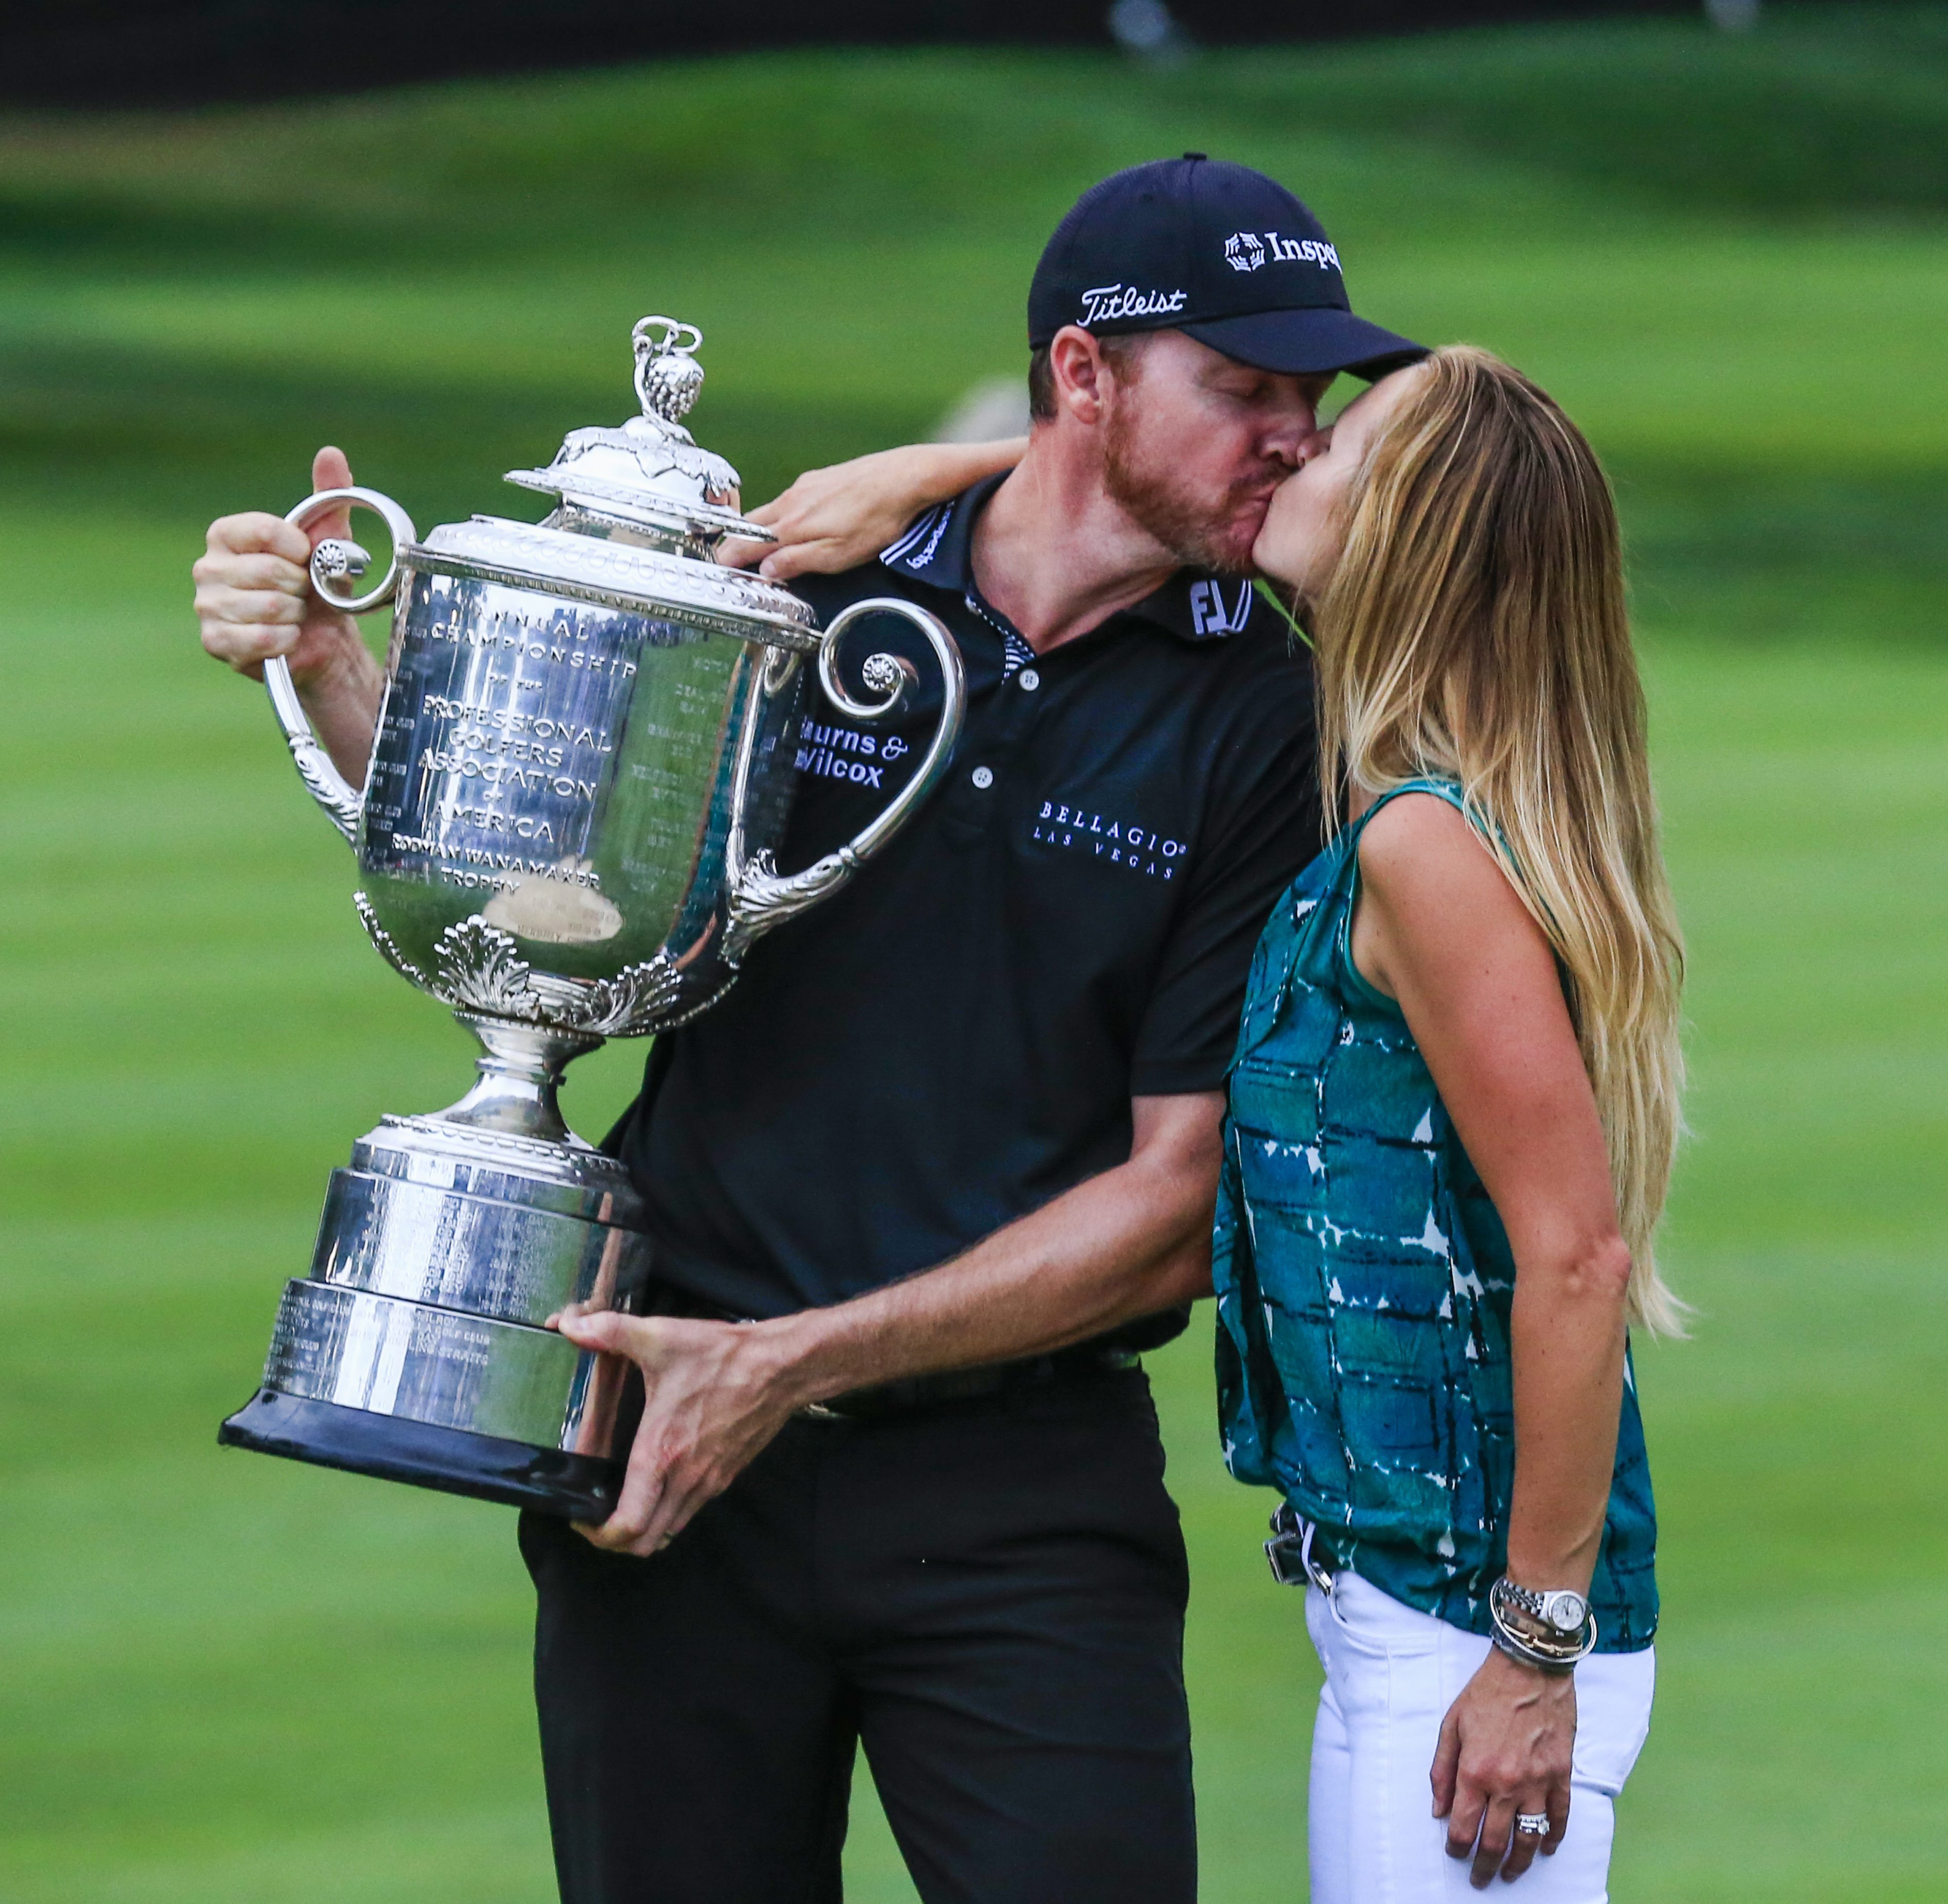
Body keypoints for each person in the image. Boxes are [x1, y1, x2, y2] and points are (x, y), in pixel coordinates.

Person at [192, 156, 1424, 1903]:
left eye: (1309, 398)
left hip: (1019, 1502)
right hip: (669, 1471)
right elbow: (548, 900)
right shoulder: (800, 591)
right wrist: (323, 658)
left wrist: (785, 1365)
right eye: (1243, 389)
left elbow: (1172, 1209)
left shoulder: (1274, 717)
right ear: (1084, 377)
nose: (1293, 435)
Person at [760, 345, 1682, 1902]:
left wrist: (1534, 1650)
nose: (1288, 456)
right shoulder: (1389, 784)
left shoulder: (1420, 845)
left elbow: (1576, 1260)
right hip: (1403, 1606)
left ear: (1403, 530)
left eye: (1333, 451)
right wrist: (940, 478)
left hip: (1470, 1632)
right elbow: (1119, 507)